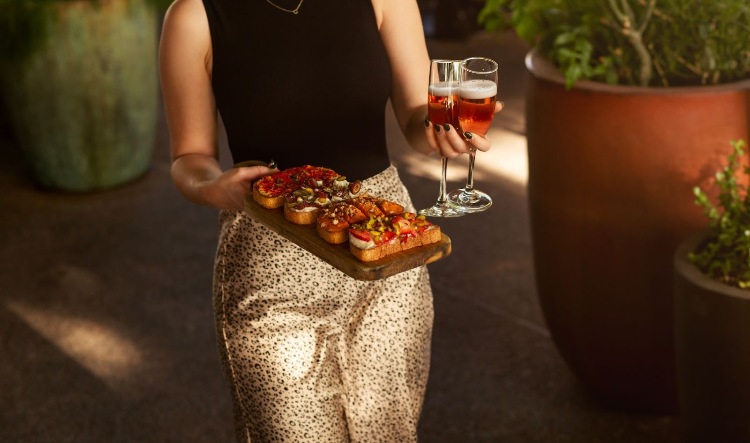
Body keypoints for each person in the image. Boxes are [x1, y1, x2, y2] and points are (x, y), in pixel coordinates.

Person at [158, 0, 495, 441]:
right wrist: (211, 187)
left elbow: (417, 115)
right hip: (269, 262)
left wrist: (440, 130)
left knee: (387, 433)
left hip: (385, 251)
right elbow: (190, 157)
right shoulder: (195, 16)